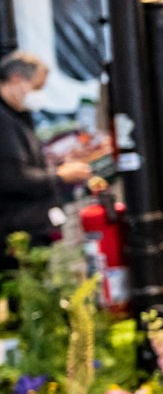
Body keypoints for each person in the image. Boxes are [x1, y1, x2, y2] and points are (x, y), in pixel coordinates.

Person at [0, 52, 90, 265]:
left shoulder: (14, 117)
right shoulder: (4, 122)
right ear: (16, 79)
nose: (39, 94)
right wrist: (60, 176)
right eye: (37, 86)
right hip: (16, 235)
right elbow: (13, 178)